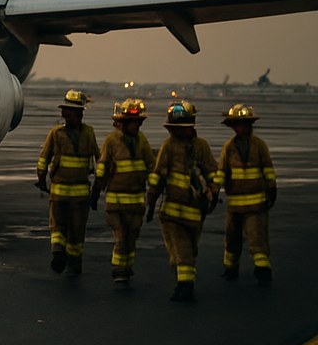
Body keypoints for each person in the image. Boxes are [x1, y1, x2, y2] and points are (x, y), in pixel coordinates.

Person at [145, 101, 220, 302]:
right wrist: (152, 200)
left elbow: (212, 171)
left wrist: (214, 190)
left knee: (189, 250)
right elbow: (158, 174)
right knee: (181, 248)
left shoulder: (201, 147)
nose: (179, 133)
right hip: (171, 212)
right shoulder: (169, 146)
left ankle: (184, 275)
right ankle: (185, 285)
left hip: (195, 213)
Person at [90, 98, 156, 284]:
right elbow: (102, 167)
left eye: (139, 123)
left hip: (136, 202)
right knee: (120, 237)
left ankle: (127, 267)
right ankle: (118, 269)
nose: (137, 126)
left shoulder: (142, 141)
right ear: (124, 123)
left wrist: (153, 194)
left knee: (132, 237)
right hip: (116, 202)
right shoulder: (111, 141)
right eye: (134, 123)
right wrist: (96, 191)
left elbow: (151, 167)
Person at [36, 89, 100, 276]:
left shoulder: (56, 134)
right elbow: (99, 159)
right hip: (79, 195)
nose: (67, 115)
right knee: (76, 231)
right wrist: (97, 188)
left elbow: (43, 159)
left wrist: (41, 180)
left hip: (60, 193)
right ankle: (71, 261)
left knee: (58, 226)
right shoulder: (88, 133)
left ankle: (59, 253)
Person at [217, 104, 277, 286]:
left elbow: (267, 168)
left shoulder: (259, 146)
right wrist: (213, 189)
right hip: (234, 204)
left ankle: (263, 269)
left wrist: (271, 188)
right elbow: (222, 171)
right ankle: (230, 268)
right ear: (233, 126)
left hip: (256, 204)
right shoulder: (229, 147)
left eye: (244, 124)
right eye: (238, 125)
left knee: (257, 238)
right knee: (232, 238)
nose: (241, 128)